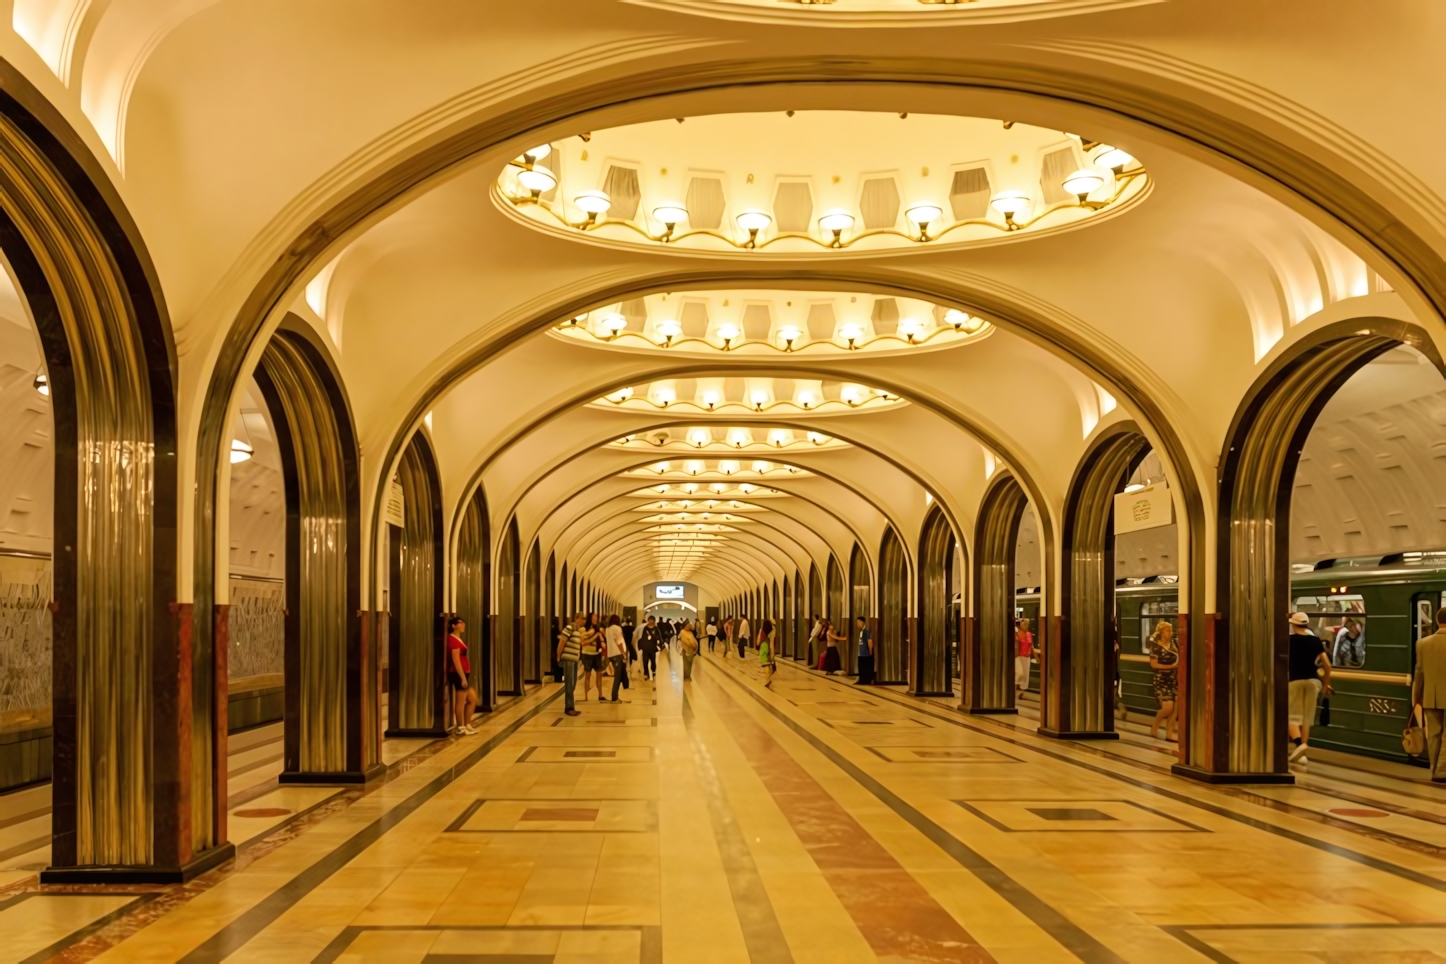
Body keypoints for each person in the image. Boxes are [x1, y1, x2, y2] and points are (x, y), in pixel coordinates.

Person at [1287, 611, 1333, 767]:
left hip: (1294, 681)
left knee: (1290, 717)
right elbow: (1327, 665)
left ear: (1293, 625)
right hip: (1313, 682)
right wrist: (1326, 683)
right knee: (1306, 719)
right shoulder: (1315, 641)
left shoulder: (1289, 640)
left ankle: (1300, 744)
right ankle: (1302, 755)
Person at [1411, 607, 1446, 782]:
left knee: (1434, 734)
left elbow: (1420, 672)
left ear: (1438, 621)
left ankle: (1434, 770)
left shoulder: (1423, 643)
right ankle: (1442, 772)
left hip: (1430, 696)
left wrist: (1416, 696)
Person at [1148, 619, 1179, 741]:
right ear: (1160, 632)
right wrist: (1173, 666)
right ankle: (1155, 726)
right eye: (1165, 631)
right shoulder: (1155, 647)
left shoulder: (1174, 644)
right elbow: (1154, 665)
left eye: (1170, 631)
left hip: (1174, 679)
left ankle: (1169, 734)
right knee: (1167, 708)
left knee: (1175, 709)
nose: (1168, 633)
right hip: (1161, 680)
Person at [446, 617, 477, 735]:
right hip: (458, 673)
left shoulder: (458, 639)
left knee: (472, 699)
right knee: (460, 701)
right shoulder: (452, 639)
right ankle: (460, 727)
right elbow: (456, 659)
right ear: (453, 626)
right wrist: (463, 677)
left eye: (463, 623)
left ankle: (467, 723)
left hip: (464, 673)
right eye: (459, 623)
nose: (463, 625)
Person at [555, 612, 584, 716]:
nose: (584, 621)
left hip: (574, 660)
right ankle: (569, 707)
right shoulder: (569, 627)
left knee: (573, 683)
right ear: (577, 618)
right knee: (569, 683)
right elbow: (562, 641)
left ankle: (571, 705)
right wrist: (558, 655)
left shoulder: (577, 630)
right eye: (582, 618)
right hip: (569, 660)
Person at [604, 614, 629, 702]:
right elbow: (619, 642)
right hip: (617, 654)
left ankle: (615, 696)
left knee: (617, 676)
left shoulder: (607, 629)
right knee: (618, 677)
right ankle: (614, 697)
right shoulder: (617, 628)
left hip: (610, 654)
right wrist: (624, 654)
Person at [579, 613, 602, 701]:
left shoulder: (597, 629)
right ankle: (586, 696)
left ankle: (600, 695)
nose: (596, 618)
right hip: (587, 654)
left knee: (599, 674)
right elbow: (582, 642)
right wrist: (593, 635)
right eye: (594, 617)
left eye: (597, 617)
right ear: (590, 618)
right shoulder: (583, 629)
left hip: (596, 653)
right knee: (587, 675)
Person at [1015, 618, 1035, 699]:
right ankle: (1015, 689)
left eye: (1027, 624)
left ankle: (1021, 692)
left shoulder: (1029, 634)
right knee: (1019, 673)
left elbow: (1031, 646)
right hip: (1019, 656)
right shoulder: (1017, 634)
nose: (1026, 626)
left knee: (1025, 675)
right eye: (1024, 624)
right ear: (1020, 625)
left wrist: (1035, 656)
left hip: (1027, 657)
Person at [638, 616, 661, 680]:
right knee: (645, 661)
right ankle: (646, 673)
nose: (650, 622)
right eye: (649, 621)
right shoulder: (645, 628)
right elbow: (641, 638)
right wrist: (640, 646)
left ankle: (653, 671)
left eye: (652, 621)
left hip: (652, 648)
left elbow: (659, 637)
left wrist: (655, 638)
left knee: (653, 661)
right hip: (645, 648)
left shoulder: (656, 629)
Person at [855, 616, 874, 685]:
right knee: (861, 667)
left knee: (865, 667)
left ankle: (865, 680)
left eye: (858, 622)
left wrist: (870, 651)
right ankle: (862, 679)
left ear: (862, 622)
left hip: (865, 653)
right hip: (861, 653)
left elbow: (869, 641)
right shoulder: (861, 631)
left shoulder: (866, 632)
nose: (857, 624)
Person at [759, 619, 776, 687]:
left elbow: (758, 640)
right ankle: (768, 678)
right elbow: (771, 644)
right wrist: (772, 654)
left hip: (763, 647)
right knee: (767, 663)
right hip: (768, 647)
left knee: (765, 664)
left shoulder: (762, 631)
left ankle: (767, 679)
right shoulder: (772, 632)